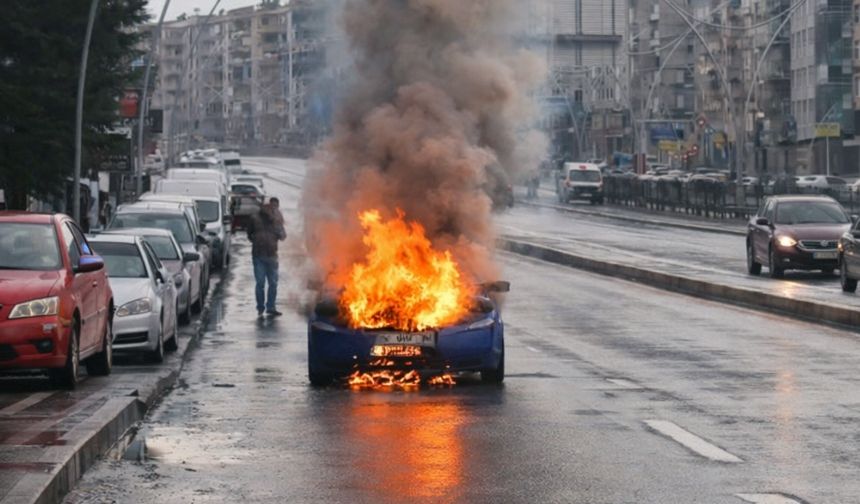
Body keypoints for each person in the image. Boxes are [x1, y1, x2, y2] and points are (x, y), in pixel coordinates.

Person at [247, 197, 287, 317]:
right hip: (259, 255)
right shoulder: (255, 218)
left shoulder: (277, 220)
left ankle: (270, 306)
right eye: (272, 206)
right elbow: (249, 234)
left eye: (275, 207)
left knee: (273, 283)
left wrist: (278, 233)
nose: (273, 209)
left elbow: (283, 236)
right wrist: (257, 240)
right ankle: (261, 307)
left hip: (272, 255)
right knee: (260, 283)